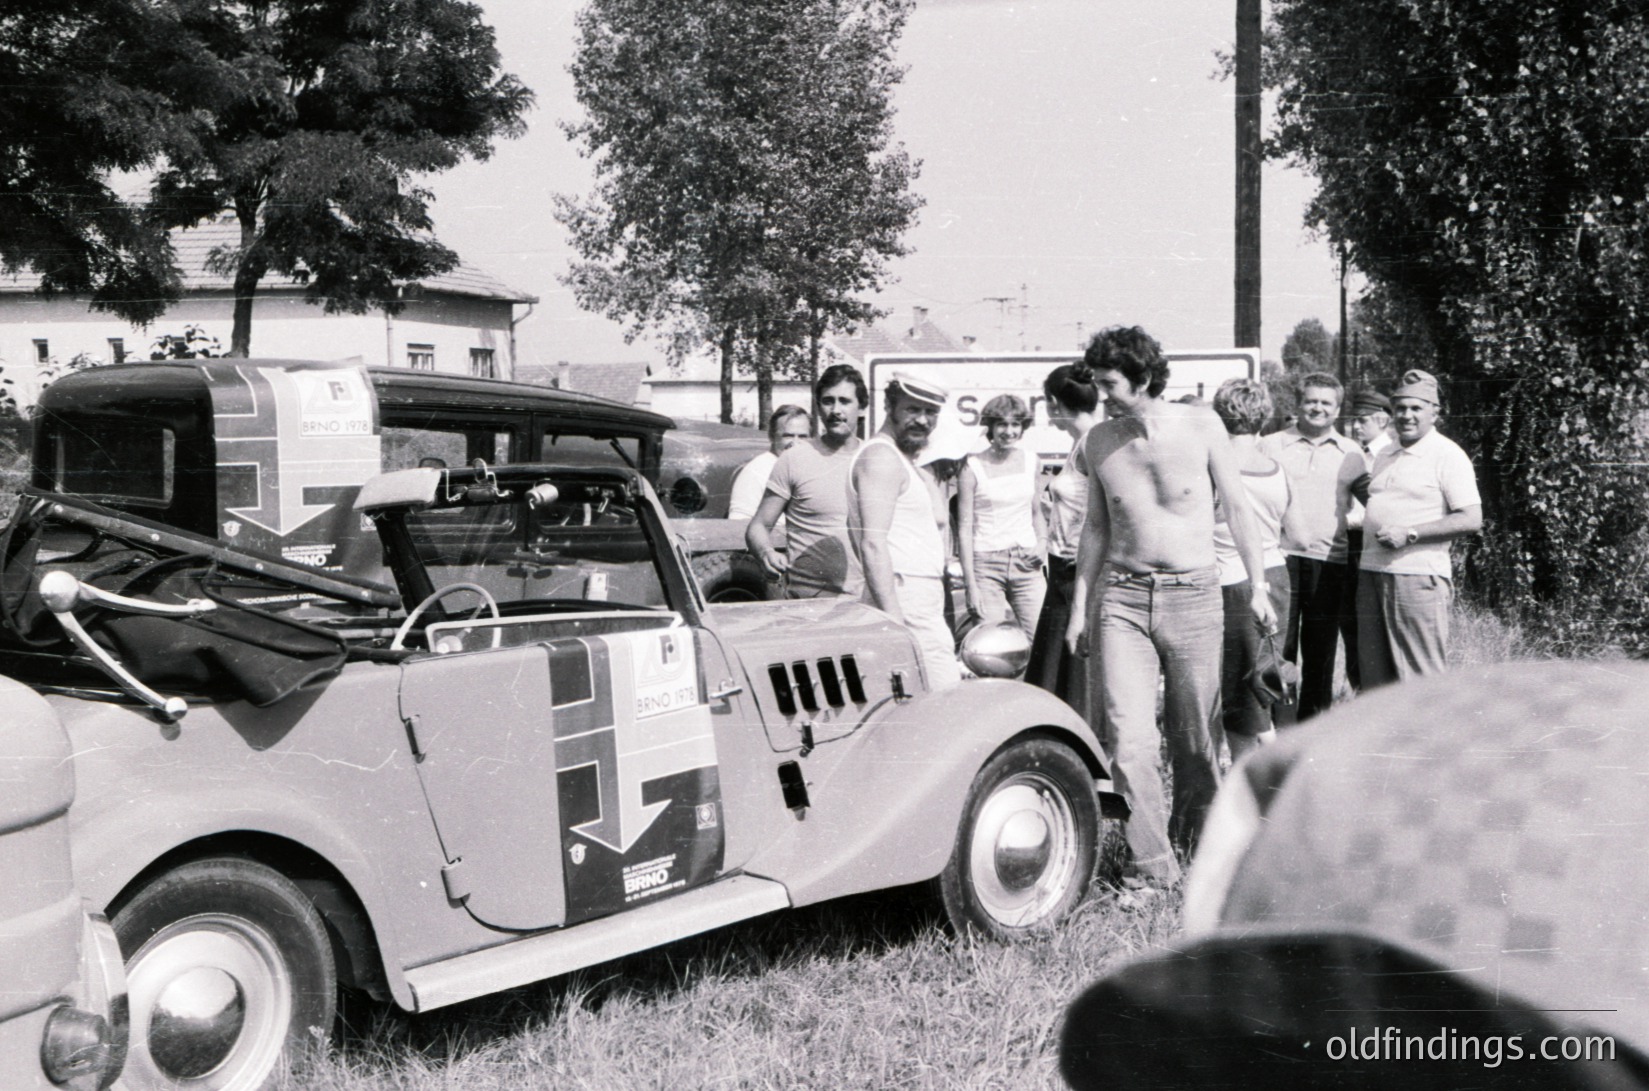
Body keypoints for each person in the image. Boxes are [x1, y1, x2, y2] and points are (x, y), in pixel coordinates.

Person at [1065, 326, 1276, 892]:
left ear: (1144, 378)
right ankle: (1149, 871)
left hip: (1195, 596)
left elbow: (1238, 508)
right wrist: (1080, 608)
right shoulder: (1099, 442)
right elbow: (1094, 528)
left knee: (1193, 740)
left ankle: (1198, 853)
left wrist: (1258, 585)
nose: (1103, 395)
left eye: (1111, 384)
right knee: (1129, 741)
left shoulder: (1203, 425)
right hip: (1124, 600)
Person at [1356, 369, 1481, 686]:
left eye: (1416, 408)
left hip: (1417, 577)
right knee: (1376, 682)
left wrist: (1410, 533)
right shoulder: (1384, 452)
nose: (1407, 416)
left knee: (1421, 682)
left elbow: (1470, 518)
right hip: (1372, 574)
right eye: (1400, 408)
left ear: (1434, 412)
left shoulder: (1448, 455)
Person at [1257, 372, 1365, 721]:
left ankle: (1312, 730)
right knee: (1278, 647)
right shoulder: (1270, 445)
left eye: (1326, 403)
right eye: (1311, 401)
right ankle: (1280, 730)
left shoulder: (1351, 452)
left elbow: (1372, 504)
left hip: (1329, 560)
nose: (1317, 408)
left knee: (1320, 652)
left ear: (1337, 410)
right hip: (1279, 559)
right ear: (1298, 404)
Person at [847, 369, 960, 689]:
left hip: (917, 596)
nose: (923, 420)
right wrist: (895, 623)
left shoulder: (901, 460)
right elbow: (873, 544)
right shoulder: (881, 458)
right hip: (904, 597)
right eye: (913, 409)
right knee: (946, 697)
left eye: (931, 412)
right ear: (890, 406)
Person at [1210, 378, 1303, 762]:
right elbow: (1299, 535)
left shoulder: (1213, 467)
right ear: (1262, 417)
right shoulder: (1278, 470)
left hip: (1231, 582)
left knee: (1238, 694)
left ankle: (1265, 782)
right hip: (1276, 577)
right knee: (1262, 683)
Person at [745, 367, 866, 598]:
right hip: (808, 607)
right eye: (828, 401)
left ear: (861, 408)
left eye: (845, 401)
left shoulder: (876, 460)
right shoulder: (795, 459)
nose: (836, 410)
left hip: (866, 604)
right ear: (818, 407)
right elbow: (758, 526)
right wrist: (766, 553)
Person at [1027, 362, 1101, 722]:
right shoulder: (1080, 445)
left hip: (1077, 573)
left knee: (1075, 683)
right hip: (1059, 573)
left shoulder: (1093, 444)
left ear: (1054, 403)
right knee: (1054, 679)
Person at [957, 393, 1047, 640]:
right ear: (991, 427)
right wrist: (971, 586)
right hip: (986, 565)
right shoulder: (971, 466)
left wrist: (1042, 544)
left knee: (1040, 640)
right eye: (1002, 424)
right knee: (991, 644)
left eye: (1015, 424)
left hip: (1027, 563)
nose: (1009, 431)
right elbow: (964, 529)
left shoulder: (1031, 461)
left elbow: (1036, 512)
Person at [1332, 386, 1393, 692]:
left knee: (1371, 624)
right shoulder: (1354, 453)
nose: (1356, 426)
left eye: (1363, 420)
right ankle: (1358, 688)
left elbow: (1381, 509)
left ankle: (1374, 690)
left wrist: (1338, 521)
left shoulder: (1389, 456)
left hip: (1374, 546)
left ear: (1382, 421)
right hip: (1350, 548)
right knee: (1349, 624)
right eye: (1354, 420)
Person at [727, 404, 811, 521]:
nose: (795, 443)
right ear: (771, 436)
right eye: (788, 436)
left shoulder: (810, 468)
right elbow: (739, 522)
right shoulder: (755, 472)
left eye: (802, 437)